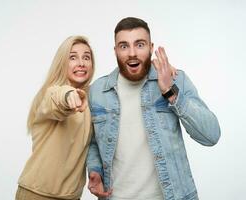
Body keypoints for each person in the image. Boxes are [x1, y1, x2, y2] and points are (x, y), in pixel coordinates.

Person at [86, 17, 221, 200]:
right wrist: (95, 170)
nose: (132, 53)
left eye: (140, 44)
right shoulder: (98, 91)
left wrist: (171, 93)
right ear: (115, 50)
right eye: (124, 46)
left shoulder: (175, 80)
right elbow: (94, 141)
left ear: (151, 47)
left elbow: (211, 135)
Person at [16, 35, 95, 200]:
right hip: (37, 194)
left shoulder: (90, 102)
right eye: (72, 57)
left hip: (71, 196)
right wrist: (69, 95)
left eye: (86, 57)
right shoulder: (50, 93)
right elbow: (57, 98)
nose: (81, 63)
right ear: (62, 62)